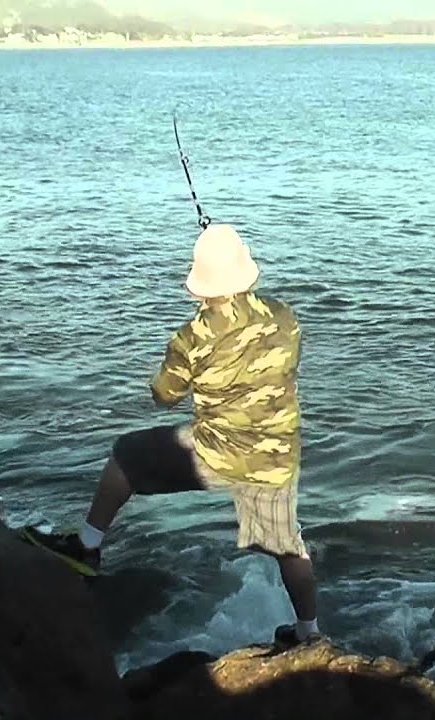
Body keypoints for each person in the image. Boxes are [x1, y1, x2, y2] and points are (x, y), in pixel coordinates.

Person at [20, 223, 321, 645]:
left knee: (125, 455)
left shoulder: (192, 338)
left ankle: (87, 547)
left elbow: (164, 396)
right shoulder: (285, 317)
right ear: (247, 272)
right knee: (289, 545)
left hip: (215, 452)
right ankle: (308, 632)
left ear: (200, 284)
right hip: (275, 454)